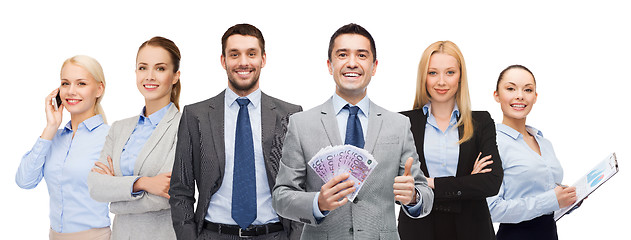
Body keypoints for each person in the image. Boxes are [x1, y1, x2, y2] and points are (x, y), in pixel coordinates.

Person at [272, 23, 433, 240]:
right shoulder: (301, 124)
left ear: (374, 66)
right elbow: (281, 197)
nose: (352, 63)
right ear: (330, 65)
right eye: (342, 54)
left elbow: (425, 194)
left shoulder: (399, 124)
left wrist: (413, 197)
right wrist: (317, 203)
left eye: (361, 55)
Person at [169, 23, 303, 240]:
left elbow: (300, 187)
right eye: (234, 54)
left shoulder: (290, 115)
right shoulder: (196, 116)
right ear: (223, 60)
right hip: (214, 234)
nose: (243, 62)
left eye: (251, 54)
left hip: (274, 234)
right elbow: (180, 190)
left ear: (263, 59)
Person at [397, 40, 503, 240]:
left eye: (450, 73)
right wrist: (467, 182)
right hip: (418, 230)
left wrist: (428, 183)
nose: (441, 82)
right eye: (433, 73)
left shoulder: (481, 121)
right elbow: (397, 186)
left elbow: (491, 182)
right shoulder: (403, 122)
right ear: (423, 77)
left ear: (460, 76)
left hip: (472, 230)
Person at [87, 36, 181, 240]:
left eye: (160, 68)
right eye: (142, 68)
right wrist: (143, 183)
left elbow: (165, 196)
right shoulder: (119, 128)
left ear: (175, 76)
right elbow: (95, 186)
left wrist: (114, 197)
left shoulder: (183, 126)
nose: (149, 76)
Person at [16, 55, 111, 240]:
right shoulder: (54, 138)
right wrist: (50, 128)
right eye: (65, 83)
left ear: (99, 89)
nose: (71, 91)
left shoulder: (111, 137)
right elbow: (24, 181)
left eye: (81, 84)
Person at [486, 65, 577, 240]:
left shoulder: (544, 142)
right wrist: (551, 200)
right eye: (511, 88)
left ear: (535, 97)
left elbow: (545, 198)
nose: (520, 95)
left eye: (527, 90)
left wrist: (569, 199)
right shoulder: (492, 144)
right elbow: (492, 209)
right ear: (497, 95)